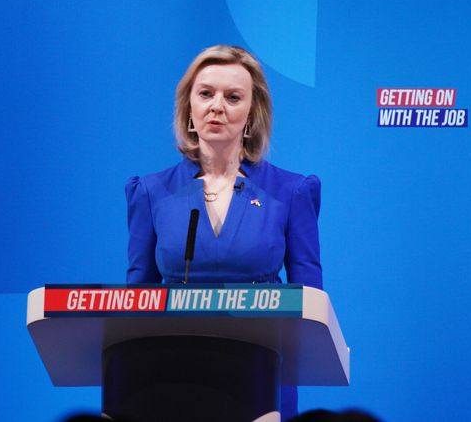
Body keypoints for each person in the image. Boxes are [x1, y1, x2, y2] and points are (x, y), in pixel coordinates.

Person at [126, 44, 323, 419]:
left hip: (264, 375)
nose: (217, 106)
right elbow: (138, 301)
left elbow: (310, 302)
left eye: (233, 97)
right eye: (206, 94)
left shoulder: (292, 192)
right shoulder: (150, 192)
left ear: (252, 113)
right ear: (189, 107)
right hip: (173, 373)